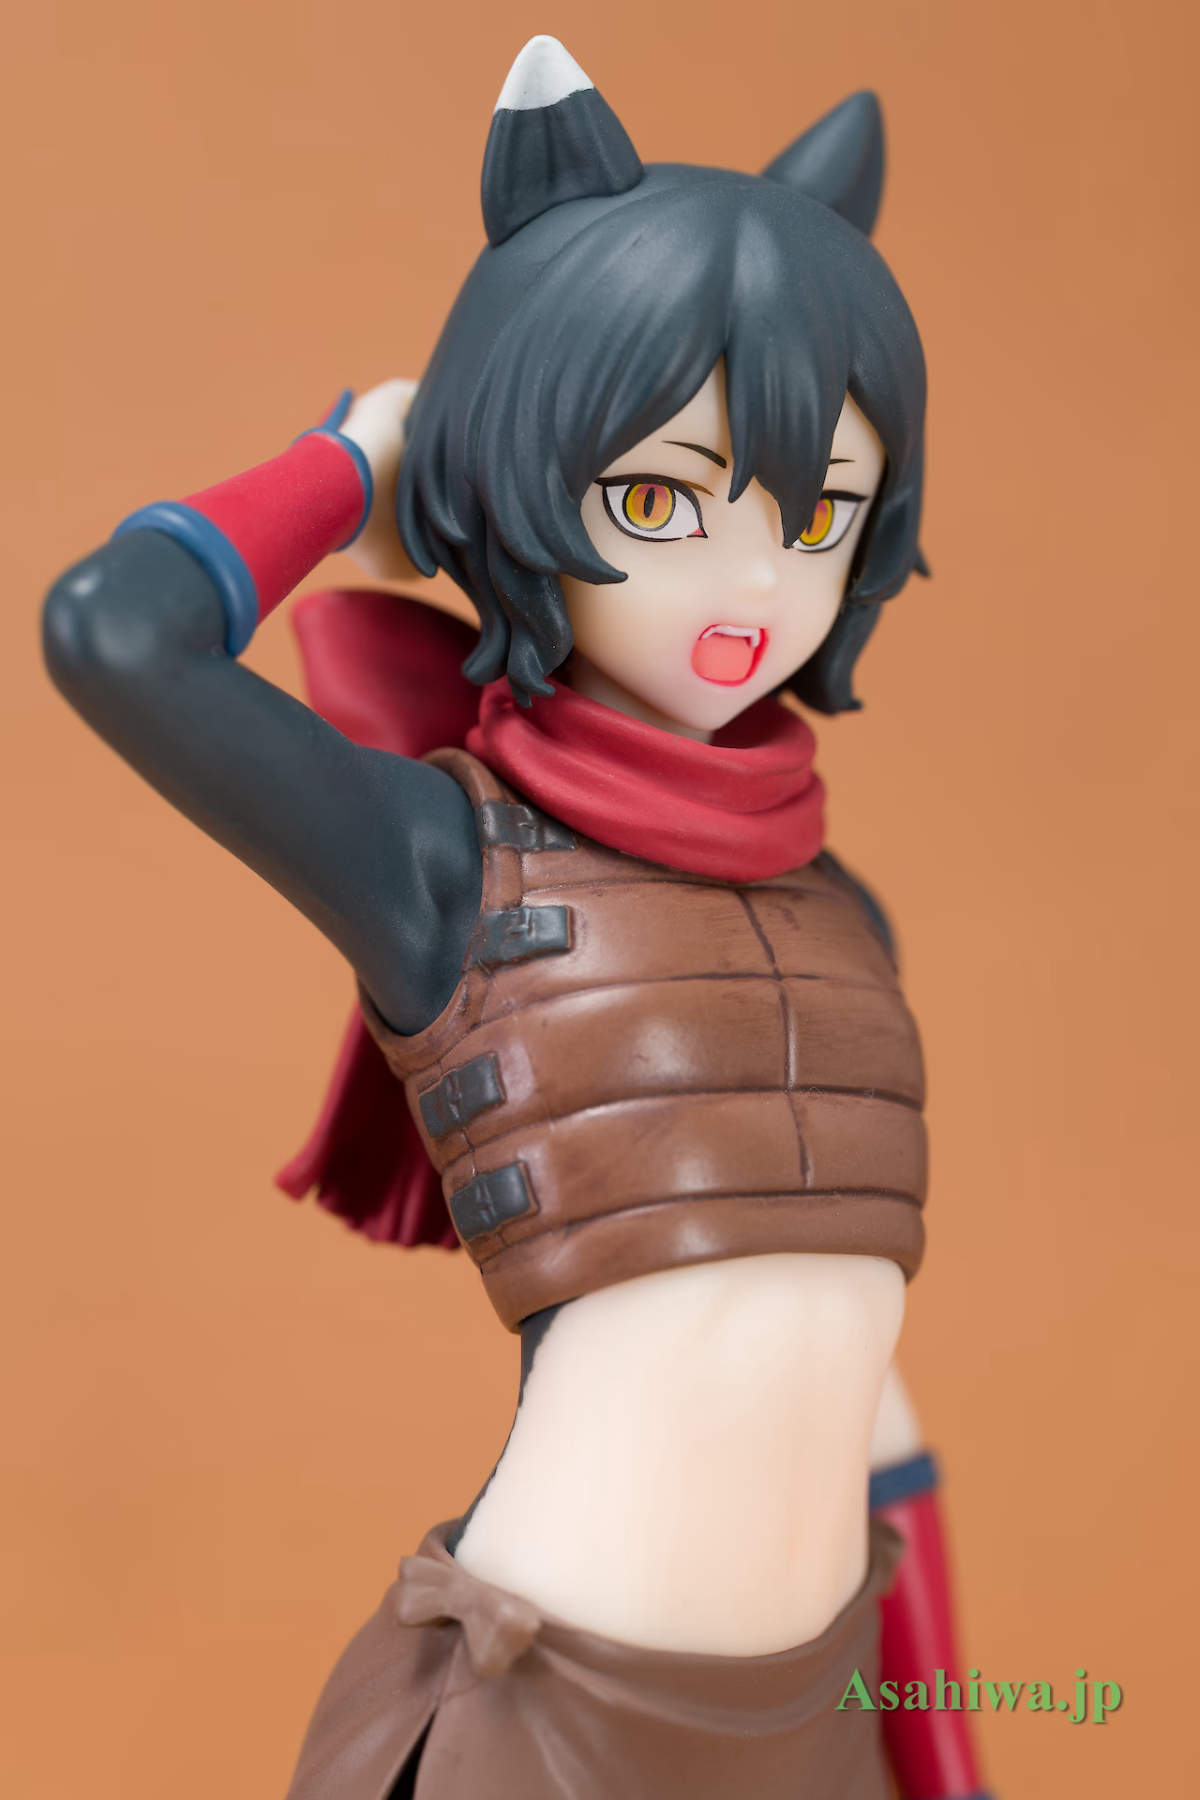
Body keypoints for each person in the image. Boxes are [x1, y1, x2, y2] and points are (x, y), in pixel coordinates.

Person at [43, 34, 990, 1800]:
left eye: (816, 513)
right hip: (559, 1728)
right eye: (656, 499)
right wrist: (355, 464)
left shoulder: (840, 914)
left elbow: (867, 1390)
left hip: (820, 1714)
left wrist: (940, 1758)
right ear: (525, 481)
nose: (748, 584)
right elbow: (114, 632)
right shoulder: (449, 864)